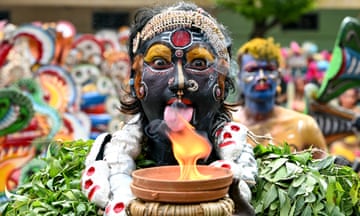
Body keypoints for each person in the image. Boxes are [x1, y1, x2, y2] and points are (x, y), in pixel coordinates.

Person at [80, 2, 257, 216]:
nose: (179, 82)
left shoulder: (274, 181)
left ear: (222, 84)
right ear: (136, 82)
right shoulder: (97, 169)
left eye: (199, 63)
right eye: (159, 62)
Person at [231, 37, 328, 157]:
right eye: (252, 70)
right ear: (239, 77)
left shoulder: (304, 125)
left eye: (269, 70)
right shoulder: (226, 124)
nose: (262, 77)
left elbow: (324, 171)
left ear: (279, 77)